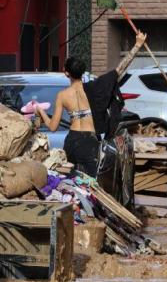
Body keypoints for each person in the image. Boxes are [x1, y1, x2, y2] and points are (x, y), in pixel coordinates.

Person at [36, 32, 147, 176]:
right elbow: (119, 70)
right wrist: (137, 45)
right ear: (83, 72)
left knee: (70, 181)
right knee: (94, 184)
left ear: (66, 73)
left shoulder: (62, 95)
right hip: (90, 142)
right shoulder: (95, 88)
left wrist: (40, 110)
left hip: (72, 141)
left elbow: (52, 127)